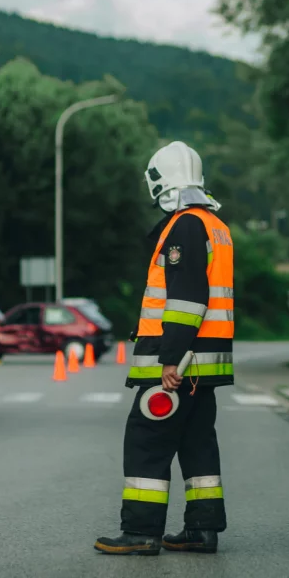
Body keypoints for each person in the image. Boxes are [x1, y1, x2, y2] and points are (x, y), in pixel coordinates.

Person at [95, 141, 234, 556]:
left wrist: (169, 359)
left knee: (147, 441)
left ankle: (140, 532)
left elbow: (187, 300)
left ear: (160, 181)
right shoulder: (215, 225)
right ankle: (202, 529)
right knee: (196, 444)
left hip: (179, 366)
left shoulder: (185, 227)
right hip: (203, 366)